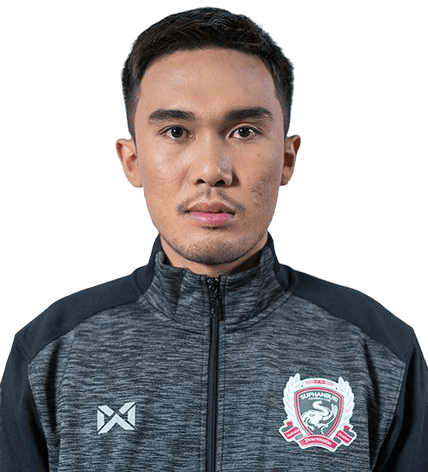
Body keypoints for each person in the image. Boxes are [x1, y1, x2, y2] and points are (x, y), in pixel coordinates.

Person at [0, 6, 427, 471]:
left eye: (244, 131)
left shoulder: (380, 349)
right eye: (176, 131)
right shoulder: (50, 352)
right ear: (131, 161)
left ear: (288, 158)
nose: (212, 170)